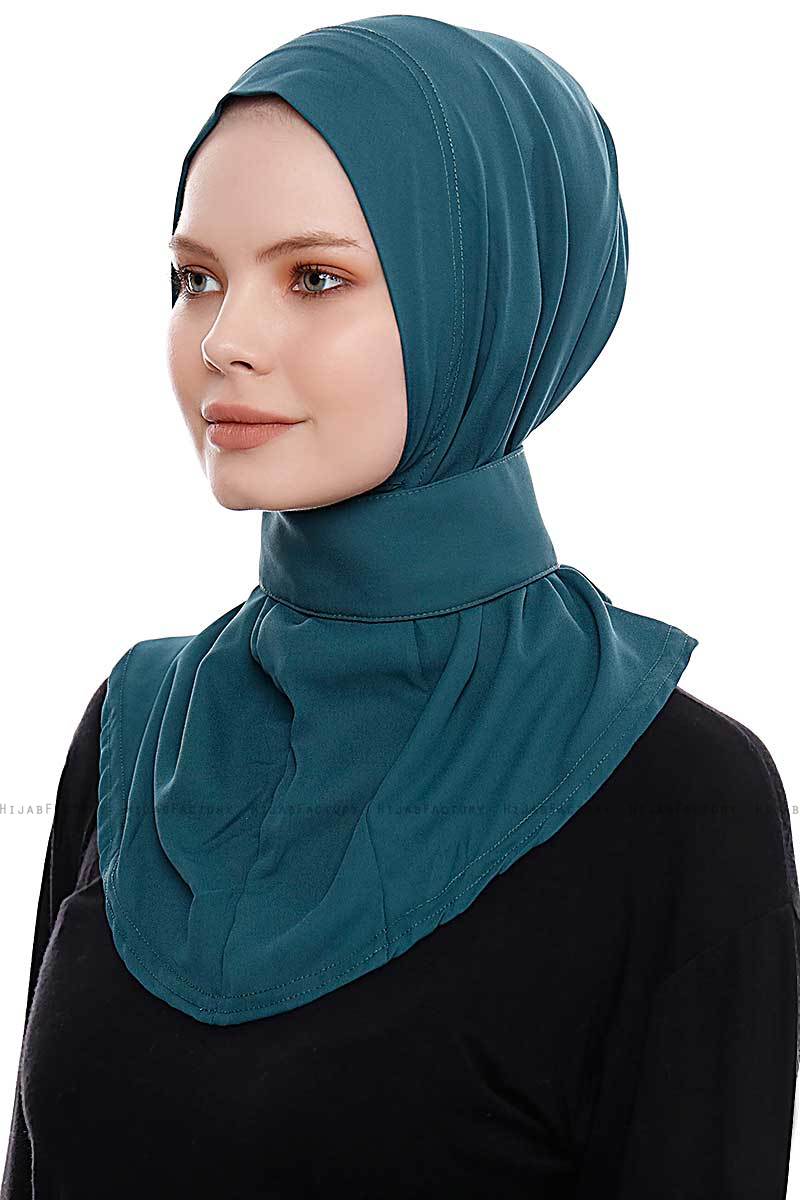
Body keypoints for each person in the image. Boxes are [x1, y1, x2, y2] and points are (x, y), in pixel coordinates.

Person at [3, 15, 798, 1198]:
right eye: (196, 278)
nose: (224, 340)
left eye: (314, 278)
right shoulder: (138, 723)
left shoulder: (676, 800)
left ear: (485, 303)